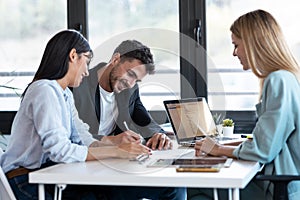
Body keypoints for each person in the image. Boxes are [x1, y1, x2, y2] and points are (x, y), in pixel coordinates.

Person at [0, 30, 186, 200]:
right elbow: (59, 150)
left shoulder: (63, 94)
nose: (87, 70)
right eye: (86, 62)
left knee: (128, 190)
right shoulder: (44, 90)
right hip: (26, 180)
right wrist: (116, 151)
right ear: (73, 56)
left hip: (52, 175)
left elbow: (82, 138)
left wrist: (115, 142)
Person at [188, 9, 300, 200]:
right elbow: (268, 139)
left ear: (252, 44)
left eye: (236, 45)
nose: (234, 53)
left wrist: (217, 149)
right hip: (278, 180)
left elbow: (262, 150)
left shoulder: (278, 80)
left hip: (279, 187)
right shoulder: (286, 77)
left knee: (192, 189)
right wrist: (221, 145)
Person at [73, 39, 173, 150]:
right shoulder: (78, 85)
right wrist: (112, 141)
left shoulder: (130, 90)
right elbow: (73, 135)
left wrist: (158, 134)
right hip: (84, 155)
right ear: (115, 59)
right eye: (130, 74)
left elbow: (144, 120)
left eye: (137, 80)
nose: (131, 84)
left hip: (114, 158)